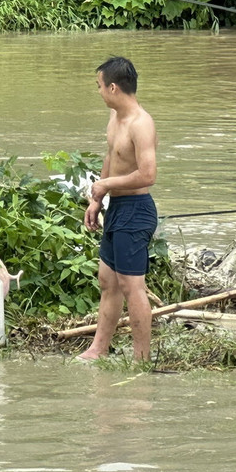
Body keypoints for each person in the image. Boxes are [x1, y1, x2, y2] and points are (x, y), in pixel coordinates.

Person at [80, 56, 158, 362]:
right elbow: (110, 159)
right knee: (107, 281)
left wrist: (108, 185)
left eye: (99, 86)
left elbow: (148, 174)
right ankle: (99, 349)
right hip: (116, 207)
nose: (98, 91)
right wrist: (96, 200)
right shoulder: (114, 120)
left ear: (113, 87)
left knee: (131, 286)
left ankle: (141, 359)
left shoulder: (142, 124)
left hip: (136, 209)